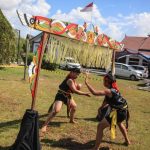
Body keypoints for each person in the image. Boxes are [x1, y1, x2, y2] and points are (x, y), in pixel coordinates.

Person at [85, 73, 131, 150]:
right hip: (123, 112)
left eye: (104, 80)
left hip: (118, 113)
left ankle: (96, 148)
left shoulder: (109, 91)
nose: (103, 82)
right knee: (119, 123)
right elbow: (107, 101)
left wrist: (87, 83)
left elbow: (94, 93)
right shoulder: (114, 89)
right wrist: (100, 107)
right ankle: (127, 141)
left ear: (107, 82)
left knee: (100, 126)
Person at [41, 68, 90, 133]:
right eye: (76, 74)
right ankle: (44, 125)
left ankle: (71, 120)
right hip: (61, 96)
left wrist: (79, 85)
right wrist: (85, 93)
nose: (77, 76)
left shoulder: (73, 80)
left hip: (67, 96)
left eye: (78, 75)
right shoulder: (69, 80)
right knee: (56, 110)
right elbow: (75, 91)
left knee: (74, 106)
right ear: (71, 72)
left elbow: (75, 88)